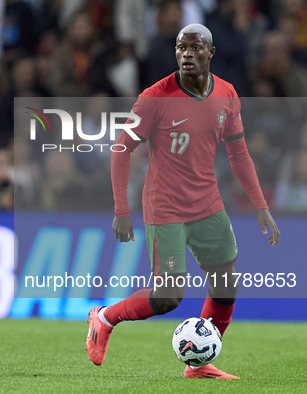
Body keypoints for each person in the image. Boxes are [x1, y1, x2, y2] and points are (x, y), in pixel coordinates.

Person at [85, 24, 281, 379]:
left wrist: (261, 205)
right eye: (180, 47)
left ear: (210, 53)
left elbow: (239, 155)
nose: (186, 53)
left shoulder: (227, 94)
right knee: (169, 297)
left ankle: (198, 362)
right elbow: (121, 150)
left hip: (208, 204)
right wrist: (121, 209)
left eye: (195, 47)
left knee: (225, 283)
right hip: (166, 209)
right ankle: (104, 317)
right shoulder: (155, 98)